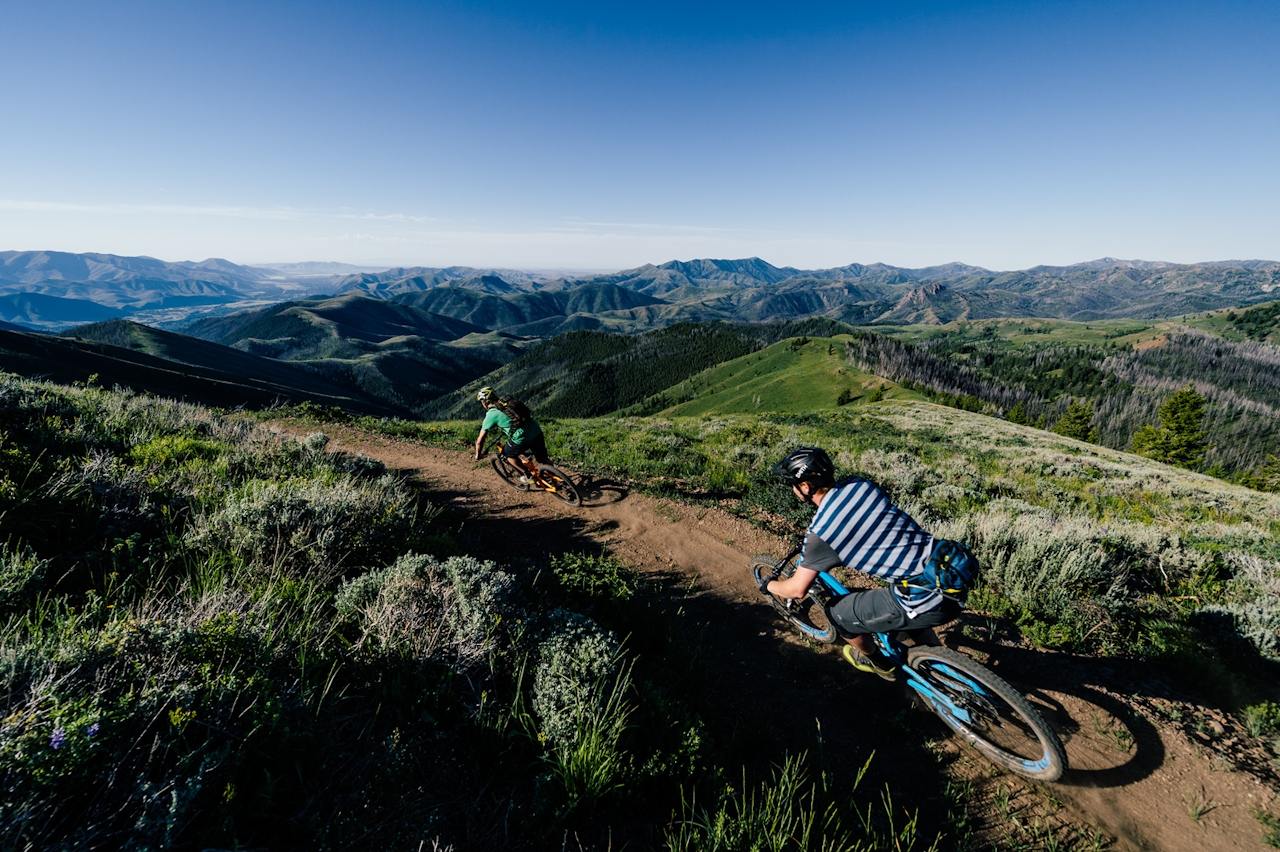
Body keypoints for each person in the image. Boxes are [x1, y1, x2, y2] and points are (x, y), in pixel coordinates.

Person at [762, 447, 963, 681]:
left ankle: (880, 664)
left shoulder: (821, 533)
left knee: (837, 615)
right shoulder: (861, 485)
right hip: (949, 574)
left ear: (805, 486)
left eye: (793, 485)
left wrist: (770, 586)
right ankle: (947, 672)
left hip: (925, 598)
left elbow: (797, 590)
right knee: (908, 609)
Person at [473, 387, 551, 471]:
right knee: (542, 459)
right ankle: (557, 477)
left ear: (485, 401)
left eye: (481, 401)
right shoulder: (506, 402)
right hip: (536, 429)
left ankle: (528, 475)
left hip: (522, 436)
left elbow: (480, 441)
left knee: (508, 455)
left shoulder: (491, 414)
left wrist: (478, 455)